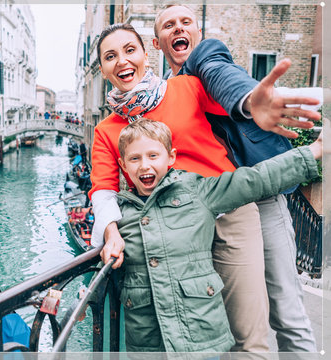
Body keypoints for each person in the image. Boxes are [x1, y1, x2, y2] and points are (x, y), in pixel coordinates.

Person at [90, 23, 321, 352]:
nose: (122, 61)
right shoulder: (106, 129)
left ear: (145, 54)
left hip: (228, 211)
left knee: (248, 334)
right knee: (197, 336)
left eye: (130, 50)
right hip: (172, 231)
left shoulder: (185, 87)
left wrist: (254, 101)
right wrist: (110, 231)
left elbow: (235, 101)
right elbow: (103, 189)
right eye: (111, 56)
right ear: (103, 69)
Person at [152, 5, 320, 351]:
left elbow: (224, 78)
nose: (179, 29)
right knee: (230, 316)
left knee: (286, 309)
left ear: (196, 34)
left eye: (186, 22)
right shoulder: (165, 92)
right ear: (158, 43)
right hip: (210, 208)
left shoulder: (207, 58)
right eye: (169, 25)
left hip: (260, 195)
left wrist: (249, 100)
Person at [115, 119, 322, 352]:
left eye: (153, 156)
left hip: (201, 338)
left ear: (171, 157)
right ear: (123, 164)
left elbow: (256, 179)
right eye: (135, 158)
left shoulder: (197, 191)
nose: (144, 165)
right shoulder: (118, 214)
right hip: (147, 345)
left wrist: (314, 150)